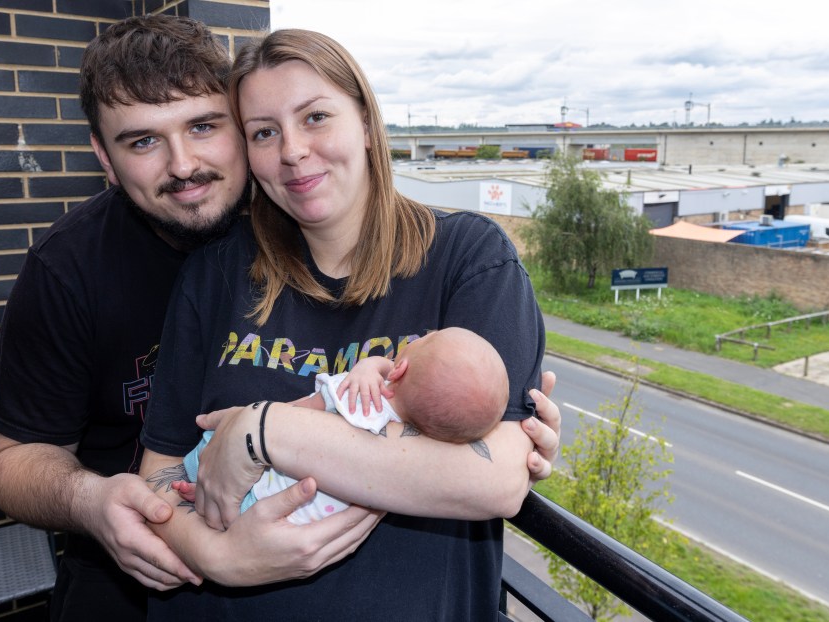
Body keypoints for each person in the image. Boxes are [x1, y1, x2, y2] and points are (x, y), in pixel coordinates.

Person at [138, 28, 559, 620]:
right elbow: (157, 474)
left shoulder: (469, 257)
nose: (291, 151)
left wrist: (264, 431)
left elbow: (492, 483)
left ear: (365, 122)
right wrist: (217, 555)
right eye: (264, 132)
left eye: (315, 117)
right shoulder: (217, 272)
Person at [0, 15, 381, 621]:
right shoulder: (68, 270)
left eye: (203, 126)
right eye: (142, 141)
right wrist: (91, 501)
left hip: (327, 548)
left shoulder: (302, 209)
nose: (184, 164)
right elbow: (12, 460)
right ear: (103, 157)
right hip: (134, 561)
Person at [179, 327, 510, 523]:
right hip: (297, 517)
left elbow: (291, 414)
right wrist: (370, 366)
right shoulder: (419, 439)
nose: (423, 334)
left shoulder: (354, 398)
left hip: (263, 493)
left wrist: (253, 417)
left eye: (424, 338)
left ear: (400, 370)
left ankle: (194, 478)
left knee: (214, 448)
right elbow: (392, 370)